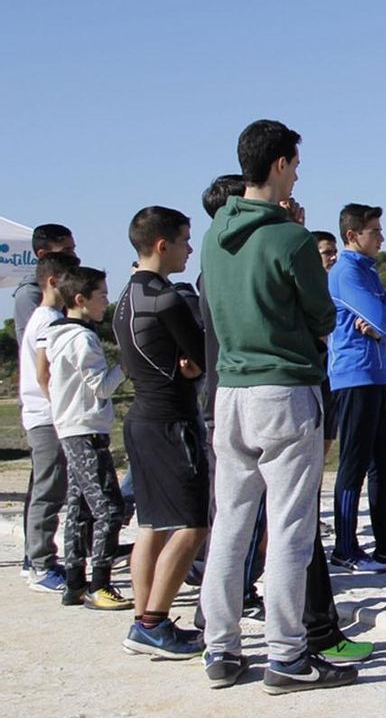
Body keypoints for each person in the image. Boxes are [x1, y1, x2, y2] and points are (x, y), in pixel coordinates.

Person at [199, 119, 356, 692]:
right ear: (282, 165)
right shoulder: (292, 239)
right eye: (295, 161)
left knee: (231, 523)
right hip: (285, 388)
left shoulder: (216, 233)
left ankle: (220, 647)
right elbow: (323, 318)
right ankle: (287, 656)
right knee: (290, 527)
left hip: (231, 389)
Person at [114, 206, 210, 658]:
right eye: (186, 240)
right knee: (193, 525)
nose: (190, 249)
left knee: (151, 524)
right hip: (171, 421)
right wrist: (190, 371)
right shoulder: (166, 298)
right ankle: (153, 623)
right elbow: (200, 359)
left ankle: (143, 617)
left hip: (141, 419)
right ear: (162, 245)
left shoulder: (125, 296)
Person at [43, 265, 133, 610]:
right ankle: (100, 583)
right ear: (80, 300)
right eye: (102, 296)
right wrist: (125, 364)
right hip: (86, 429)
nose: (106, 303)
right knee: (109, 508)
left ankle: (74, 582)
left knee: (79, 507)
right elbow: (101, 387)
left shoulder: (57, 334)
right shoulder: (83, 339)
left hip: (71, 426)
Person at [327, 203, 386, 574]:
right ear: (353, 235)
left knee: (384, 461)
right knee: (353, 464)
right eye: (375, 231)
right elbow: (385, 316)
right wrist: (385, 324)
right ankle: (345, 547)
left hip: (374, 374)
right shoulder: (346, 272)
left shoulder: (367, 270)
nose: (382, 237)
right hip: (352, 376)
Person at [15, 222, 77, 580]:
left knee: (52, 485)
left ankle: (39, 558)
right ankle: (39, 561)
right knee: (48, 488)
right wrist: (62, 405)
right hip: (46, 413)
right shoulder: (45, 318)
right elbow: (43, 373)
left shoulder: (49, 316)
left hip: (48, 412)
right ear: (54, 281)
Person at [13, 223, 76, 339]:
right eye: (66, 251)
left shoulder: (70, 288)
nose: (74, 256)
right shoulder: (29, 294)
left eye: (73, 250)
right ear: (43, 255)